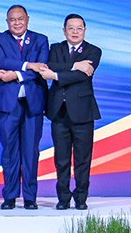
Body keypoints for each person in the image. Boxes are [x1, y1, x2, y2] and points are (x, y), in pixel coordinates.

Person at [36, 14, 101, 210]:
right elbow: (49, 66)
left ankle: (81, 198)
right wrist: (74, 65)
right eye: (71, 28)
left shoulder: (93, 51)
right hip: (59, 112)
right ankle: (63, 198)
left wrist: (55, 75)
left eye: (79, 28)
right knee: (62, 159)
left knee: (82, 159)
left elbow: (82, 76)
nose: (75, 32)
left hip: (83, 112)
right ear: (64, 30)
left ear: (85, 30)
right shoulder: (55, 48)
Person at [0, 5, 49, 210]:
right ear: (7, 21)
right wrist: (28, 65)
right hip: (7, 103)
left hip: (33, 103)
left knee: (31, 152)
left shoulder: (40, 39)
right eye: (12, 19)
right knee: (10, 151)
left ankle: (30, 197)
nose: (17, 23)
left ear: (28, 19)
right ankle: (10, 196)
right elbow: (1, 61)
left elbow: (42, 67)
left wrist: (16, 74)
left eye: (20, 19)